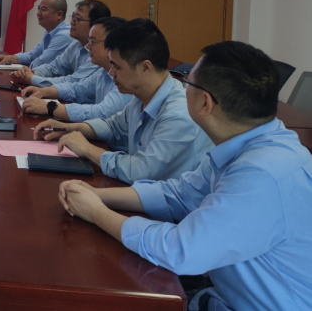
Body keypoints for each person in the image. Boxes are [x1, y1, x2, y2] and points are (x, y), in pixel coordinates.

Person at [58, 41, 312, 311]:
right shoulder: (248, 143)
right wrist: (98, 195)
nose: (181, 86)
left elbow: (181, 250)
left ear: (205, 103)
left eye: (187, 81)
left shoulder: (262, 174)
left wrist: (96, 212)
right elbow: (180, 194)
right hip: (224, 293)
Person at [36, 19, 212, 184]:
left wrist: (88, 149)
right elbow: (113, 127)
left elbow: (141, 171)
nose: (111, 72)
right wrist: (67, 129)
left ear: (145, 67)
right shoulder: (142, 96)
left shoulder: (177, 115)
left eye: (117, 66)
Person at [20, 17, 132, 127]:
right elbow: (76, 89)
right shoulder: (102, 72)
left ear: (113, 44)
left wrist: (50, 107)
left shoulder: (127, 79)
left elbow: (102, 112)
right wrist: (44, 91)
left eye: (93, 42)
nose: (88, 46)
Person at [12, 0, 110, 87]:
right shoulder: (75, 44)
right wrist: (31, 72)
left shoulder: (99, 53)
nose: (72, 22)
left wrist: (32, 78)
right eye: (72, 17)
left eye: (77, 19)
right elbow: (54, 67)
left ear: (95, 25)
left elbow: (73, 82)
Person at [0, 0, 76, 69]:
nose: (38, 13)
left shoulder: (64, 36)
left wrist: (22, 69)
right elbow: (33, 55)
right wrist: (10, 58)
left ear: (59, 14)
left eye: (43, 9)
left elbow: (41, 63)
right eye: (38, 9)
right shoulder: (49, 32)